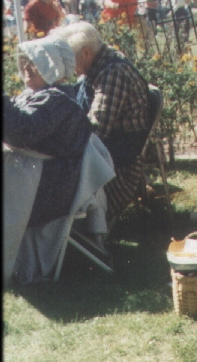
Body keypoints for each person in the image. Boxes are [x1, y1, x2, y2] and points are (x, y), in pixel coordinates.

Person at [49, 21, 151, 227]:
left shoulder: (113, 73)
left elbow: (96, 129)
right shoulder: (96, 66)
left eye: (70, 58)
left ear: (86, 53)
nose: (67, 65)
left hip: (117, 167)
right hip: (103, 155)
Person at [3, 36, 93, 230]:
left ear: (53, 65)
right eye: (24, 61)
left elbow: (21, 132)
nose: (26, 67)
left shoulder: (57, 99)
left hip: (46, 188)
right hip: (30, 179)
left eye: (33, 62)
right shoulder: (38, 95)